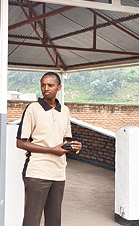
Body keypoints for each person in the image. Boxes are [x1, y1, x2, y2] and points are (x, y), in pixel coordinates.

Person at [16, 72, 82, 226]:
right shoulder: (33, 108)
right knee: (32, 220)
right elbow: (20, 142)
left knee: (54, 220)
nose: (46, 88)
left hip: (59, 173)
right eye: (43, 85)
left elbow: (66, 139)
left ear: (59, 87)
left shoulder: (64, 110)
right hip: (37, 172)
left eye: (50, 85)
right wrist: (52, 150)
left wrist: (74, 146)